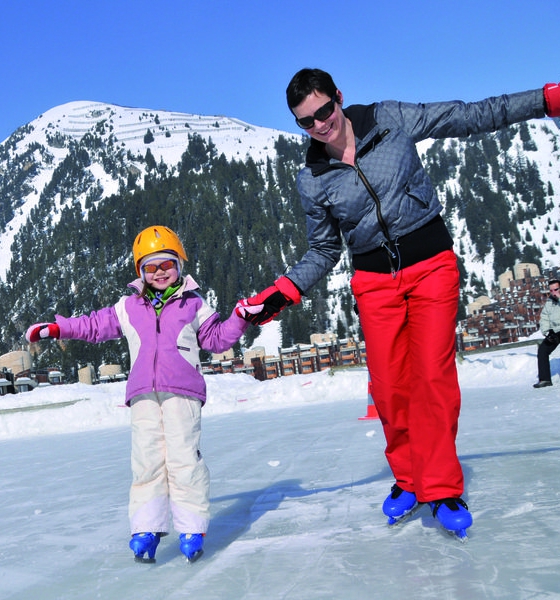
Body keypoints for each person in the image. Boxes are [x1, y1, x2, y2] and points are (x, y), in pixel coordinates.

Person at [236, 68, 560, 538]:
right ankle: (408, 479)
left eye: (325, 111)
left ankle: (442, 486)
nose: (320, 125)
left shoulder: (389, 119)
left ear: (339, 99)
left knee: (432, 377)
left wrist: (545, 101)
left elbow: (468, 116)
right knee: (389, 387)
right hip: (373, 281)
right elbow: (324, 249)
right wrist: (282, 291)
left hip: (430, 265)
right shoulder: (312, 178)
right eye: (306, 122)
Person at [25, 225, 249, 562]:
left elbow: (217, 339)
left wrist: (241, 318)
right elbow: (93, 326)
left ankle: (191, 527)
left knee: (183, 459)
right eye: (151, 267)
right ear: (140, 272)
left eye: (167, 264)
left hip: (182, 393)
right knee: (146, 461)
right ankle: (146, 526)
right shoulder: (128, 307)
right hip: (144, 395)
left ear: (179, 265)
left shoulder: (194, 304)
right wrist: (59, 328)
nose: (160, 273)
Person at [534, 278, 560, 388]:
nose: (554, 293)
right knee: (543, 350)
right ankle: (545, 379)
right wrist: (547, 332)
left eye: (556, 289)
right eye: (551, 291)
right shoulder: (549, 302)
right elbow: (544, 317)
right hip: (556, 331)